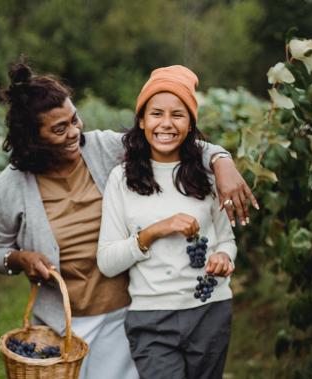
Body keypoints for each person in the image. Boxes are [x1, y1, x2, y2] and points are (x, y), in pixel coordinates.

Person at [0, 61, 254, 379]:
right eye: (59, 129)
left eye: (74, 120)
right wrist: (19, 258)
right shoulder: (11, 185)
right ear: (32, 138)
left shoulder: (102, 147)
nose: (74, 132)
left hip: (123, 312)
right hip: (64, 323)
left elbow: (170, 139)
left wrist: (222, 161)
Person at [97, 65, 236, 379]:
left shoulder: (208, 175)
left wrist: (224, 257)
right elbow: (106, 262)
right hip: (151, 319)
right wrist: (155, 231)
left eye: (178, 114)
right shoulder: (122, 179)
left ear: (190, 124)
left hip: (210, 310)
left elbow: (226, 239)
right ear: (142, 120)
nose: (166, 123)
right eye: (156, 113)